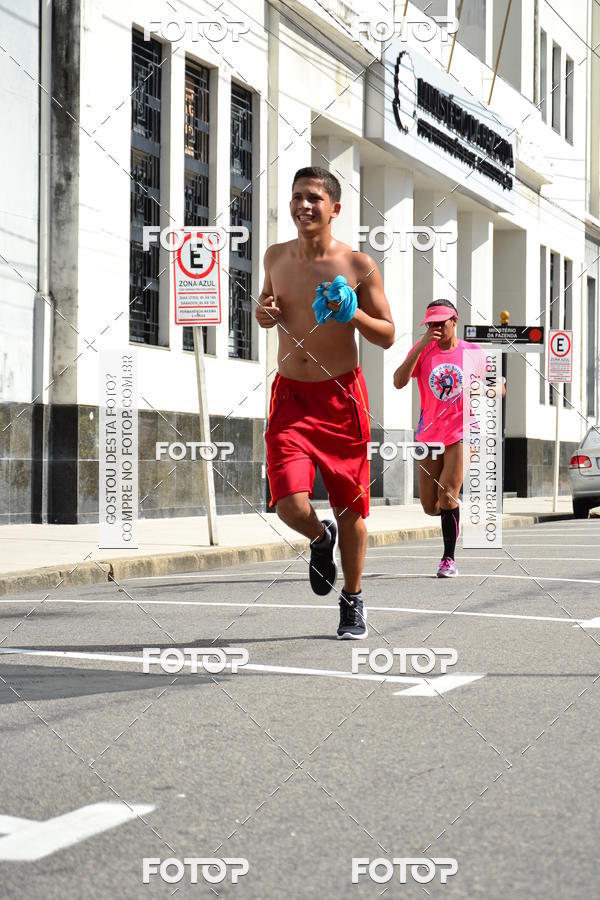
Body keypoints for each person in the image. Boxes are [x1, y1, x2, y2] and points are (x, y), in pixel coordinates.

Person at [256, 166, 394, 638]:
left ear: (334, 208)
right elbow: (266, 307)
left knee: (351, 509)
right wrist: (264, 312)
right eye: (297, 197)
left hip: (340, 398)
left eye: (314, 198)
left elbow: (388, 334)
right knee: (288, 505)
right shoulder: (275, 256)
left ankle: (352, 599)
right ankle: (320, 537)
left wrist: (352, 313)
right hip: (290, 398)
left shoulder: (357, 265)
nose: (304, 206)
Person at [393, 299, 503, 577]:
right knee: (431, 506)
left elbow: (500, 388)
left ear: (455, 321)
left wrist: (482, 389)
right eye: (431, 324)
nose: (436, 328)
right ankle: (451, 509)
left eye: (441, 323)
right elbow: (398, 381)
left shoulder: (472, 352)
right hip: (429, 434)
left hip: (463, 430)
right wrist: (421, 346)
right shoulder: (423, 351)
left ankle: (448, 560)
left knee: (447, 492)